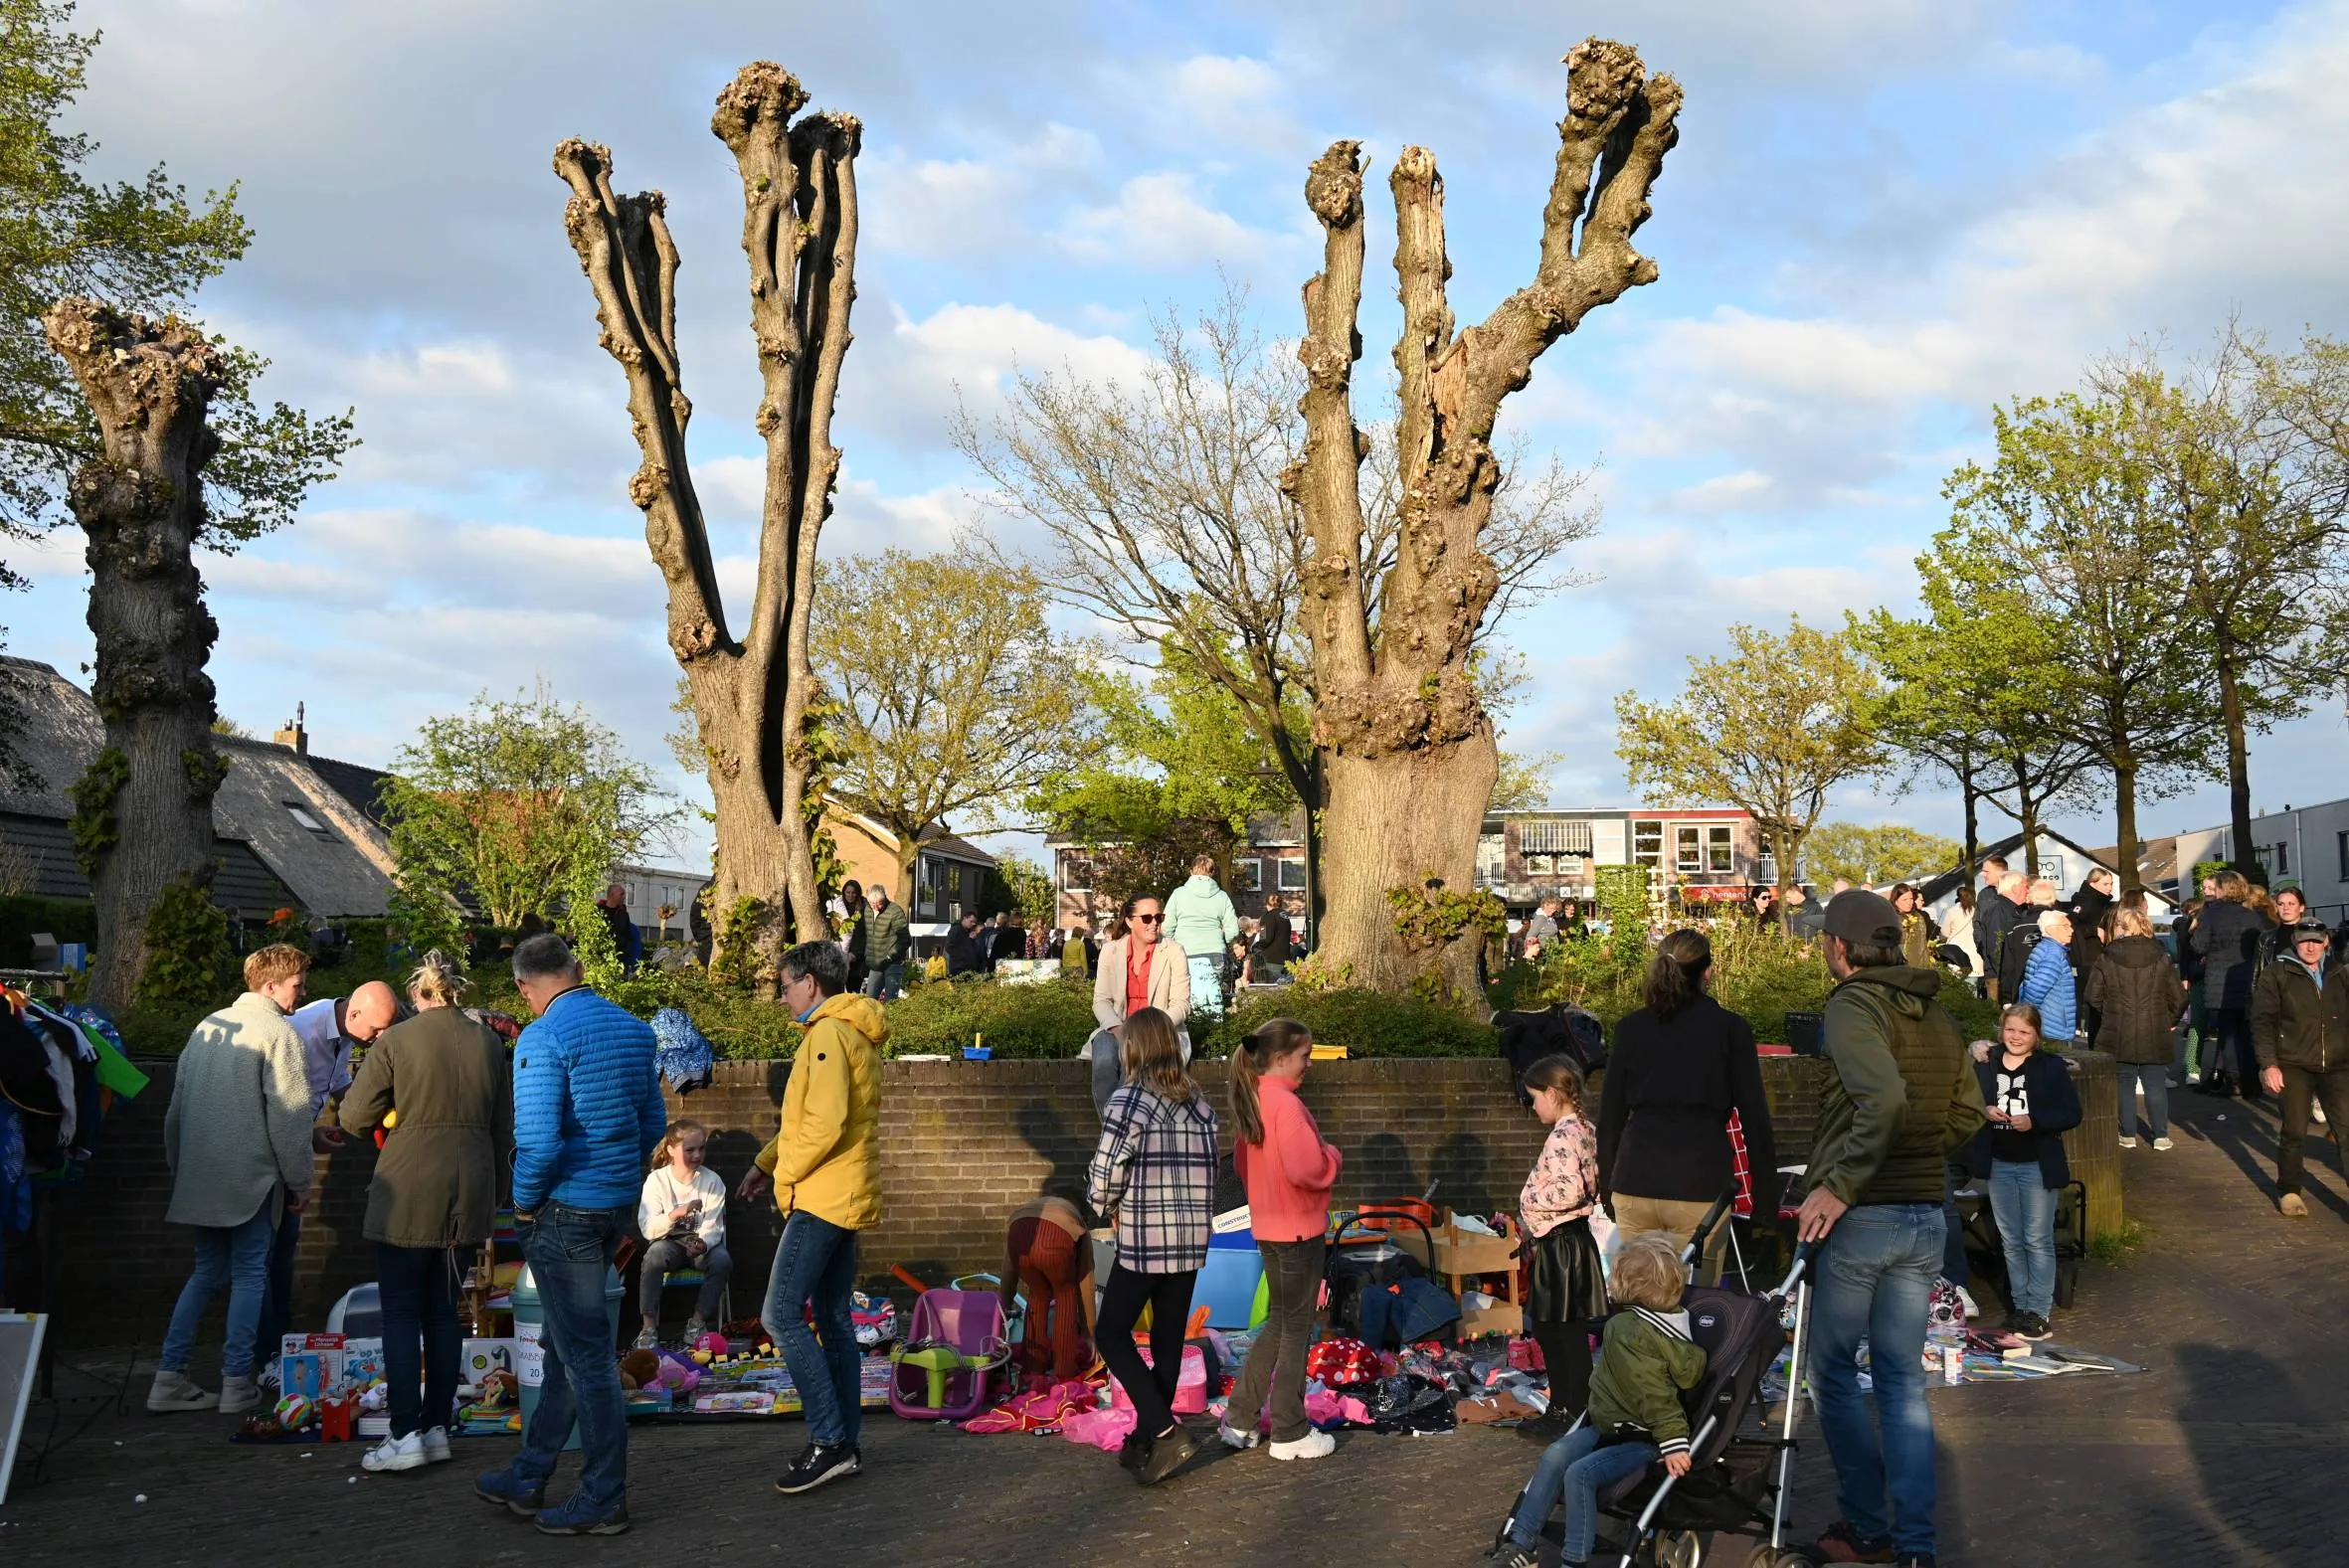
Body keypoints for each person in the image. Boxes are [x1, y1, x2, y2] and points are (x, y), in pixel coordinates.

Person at [1795, 890, 1984, 1568]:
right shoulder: (1934, 1012)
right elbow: (1968, 1110)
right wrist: (1924, 1154)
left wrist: (1839, 1183)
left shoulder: (1852, 1004)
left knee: (1833, 1372)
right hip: (1924, 1213)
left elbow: (1884, 1097)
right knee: (1903, 1379)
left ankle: (1867, 1525)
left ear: (1841, 946)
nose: (1822, 948)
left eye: (1824, 940)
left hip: (1864, 1214)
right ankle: (1915, 1546)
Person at [473, 935, 664, 1537]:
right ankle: (530, 1473)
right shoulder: (634, 1030)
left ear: (526, 987)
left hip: (564, 1213)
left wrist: (525, 1207)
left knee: (586, 1361)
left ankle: (604, 1496)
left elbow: (537, 1142)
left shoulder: (541, 1036)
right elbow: (652, 1121)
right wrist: (619, 1178)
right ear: (576, 970)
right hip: (613, 1208)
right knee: (564, 1348)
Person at [337, 950, 510, 1472]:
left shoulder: (396, 1040)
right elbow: (504, 1128)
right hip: (470, 1189)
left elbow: (352, 1116)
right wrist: (496, 1192)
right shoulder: (489, 1041)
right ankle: (437, 1428)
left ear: (419, 993)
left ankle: (404, 1432)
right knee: (444, 1311)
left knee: (400, 1312)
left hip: (409, 1186)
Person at [736, 941, 886, 1494]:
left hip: (821, 1198)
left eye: (785, 986)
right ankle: (846, 1441)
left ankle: (830, 1441)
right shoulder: (851, 1032)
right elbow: (809, 1123)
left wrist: (784, 1176)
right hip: (843, 1194)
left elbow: (819, 1128)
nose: (781, 997)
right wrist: (763, 1161)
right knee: (834, 1317)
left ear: (810, 983)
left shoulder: (825, 1037)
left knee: (780, 1316)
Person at [150, 944, 317, 1417]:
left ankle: (168, 1377)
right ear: (271, 985)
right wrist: (300, 1179)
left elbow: (174, 1114)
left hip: (200, 1176)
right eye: (297, 985)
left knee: (205, 1273)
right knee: (249, 1275)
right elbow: (290, 1116)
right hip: (252, 1180)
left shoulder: (207, 1028)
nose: (302, 994)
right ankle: (236, 1382)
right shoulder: (278, 1034)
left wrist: (181, 1168)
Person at [1487, 1230, 1709, 1568]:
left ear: (1628, 1284)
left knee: (1579, 1473)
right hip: (1610, 1422)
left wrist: (1673, 1441)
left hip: (1641, 1436)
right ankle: (1521, 1542)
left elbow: (1654, 1393)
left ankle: (1571, 1558)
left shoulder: (1627, 1331)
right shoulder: (1670, 1327)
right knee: (1555, 1454)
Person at [1597, 930, 1777, 1287]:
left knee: (1640, 1300)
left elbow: (1611, 1117)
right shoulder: (1730, 1029)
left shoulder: (1631, 1028)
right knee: (1695, 1305)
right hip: (1700, 1184)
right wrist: (1765, 1204)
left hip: (1635, 1180)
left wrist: (1607, 1185)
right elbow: (1755, 1121)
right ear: (1707, 972)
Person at [1085, 1007, 1217, 1487]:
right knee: (1167, 1343)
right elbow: (1214, 1175)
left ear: (1134, 1048)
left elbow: (1106, 1173)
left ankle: (1164, 1429)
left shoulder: (1129, 1100)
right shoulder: (1200, 1105)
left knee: (1112, 1334)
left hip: (1146, 1238)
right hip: (1191, 1239)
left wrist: (1101, 1202)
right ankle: (1145, 1440)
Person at [1221, 1017, 1342, 1462]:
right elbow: (1307, 1168)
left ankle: (1240, 1417)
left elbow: (1242, 1165)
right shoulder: (1286, 1106)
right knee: (1295, 1328)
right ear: (1279, 1058)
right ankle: (1290, 1429)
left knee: (1278, 1322)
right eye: (1304, 1056)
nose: (1308, 1065)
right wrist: (1332, 1156)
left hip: (1269, 1229)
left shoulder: (1253, 1100)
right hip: (1297, 1231)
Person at [268, 978, 400, 1364]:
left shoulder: (343, 1030)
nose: (378, 1038)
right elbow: (278, 1108)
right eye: (375, 1029)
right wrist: (302, 1154)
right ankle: (267, 1352)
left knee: (282, 1256)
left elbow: (340, 1086)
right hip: (279, 1157)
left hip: (296, 1149)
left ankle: (279, 1344)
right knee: (263, 1263)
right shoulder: (298, 1034)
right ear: (354, 1013)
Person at [1969, 1003, 2079, 1340]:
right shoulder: (1985, 1063)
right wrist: (1982, 1109)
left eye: (2024, 1032)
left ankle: (2038, 1312)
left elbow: (2072, 1113)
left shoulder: (2049, 1067)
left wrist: (2036, 1122)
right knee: (2011, 1240)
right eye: (2011, 1030)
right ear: (2002, 1029)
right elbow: (1965, 1098)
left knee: (2037, 1239)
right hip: (1999, 1163)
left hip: (2036, 1164)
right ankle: (2020, 1308)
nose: (2016, 1037)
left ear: (2036, 1035)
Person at [1516, 1054, 1608, 1434]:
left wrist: (1530, 1200)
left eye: (1534, 1097)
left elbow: (1571, 1188)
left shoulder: (1563, 1134)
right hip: (1569, 1242)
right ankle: (1569, 1407)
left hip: (1561, 1244)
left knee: (1557, 1329)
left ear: (1553, 1094)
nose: (1532, 1105)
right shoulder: (1585, 1127)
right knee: (1558, 1328)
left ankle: (1570, 1411)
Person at [2252, 919, 2349, 1218]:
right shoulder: (2277, 972)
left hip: (2337, 1064)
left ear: (2326, 942)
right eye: (2305, 940)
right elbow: (2262, 1021)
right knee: (2295, 1130)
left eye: (2316, 941)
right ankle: (2290, 1190)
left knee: (2347, 1130)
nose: (2310, 946)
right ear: (2295, 940)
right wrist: (2269, 1064)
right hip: (2293, 1063)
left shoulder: (2339, 972)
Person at [2086, 907, 2186, 1150]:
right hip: (2154, 1028)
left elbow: (2092, 996)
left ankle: (2128, 1134)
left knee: (2124, 1082)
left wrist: (2109, 1014)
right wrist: (2169, 1020)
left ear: (2120, 927)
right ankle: (2161, 1135)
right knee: (2154, 1083)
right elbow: (2180, 998)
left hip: (2118, 1028)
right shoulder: (2162, 957)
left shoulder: (2106, 957)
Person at [1087, 895, 1191, 1115]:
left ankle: (1118, 1138)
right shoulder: (1110, 951)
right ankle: (1114, 1131)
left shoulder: (1174, 951)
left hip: (1159, 1032)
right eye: (1147, 918)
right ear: (1129, 921)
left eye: (1158, 917)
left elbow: (1181, 1004)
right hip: (1117, 1027)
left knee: (1132, 1069)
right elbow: (1101, 1001)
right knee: (1104, 1059)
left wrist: (1150, 1030)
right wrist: (1118, 1028)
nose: (1154, 922)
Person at [635, 1120, 731, 1347]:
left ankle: (697, 1323)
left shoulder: (712, 1181)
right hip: (669, 1244)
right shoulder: (657, 1180)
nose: (697, 1155)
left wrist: (703, 1243)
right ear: (670, 1149)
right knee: (653, 1256)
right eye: (690, 1150)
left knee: (722, 1259)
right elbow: (648, 1228)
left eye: (701, 1149)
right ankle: (648, 1327)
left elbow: (714, 1225)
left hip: (699, 1245)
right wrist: (675, 1215)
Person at [998, 1195, 1097, 1384]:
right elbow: (1086, 1279)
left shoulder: (1034, 1207)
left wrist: (1001, 1311)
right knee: (1066, 1295)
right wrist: (1089, 1332)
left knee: (1038, 1294)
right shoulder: (1076, 1222)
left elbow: (1009, 1268)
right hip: (1056, 1239)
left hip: (1018, 1230)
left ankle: (1032, 1369)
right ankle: (1064, 1372)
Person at [2190, 869, 2266, 1100]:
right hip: (2246, 980)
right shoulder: (2251, 915)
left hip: (2220, 982)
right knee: (2246, 1033)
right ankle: (2251, 1081)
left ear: (2222, 889)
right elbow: (2260, 946)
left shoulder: (2213, 914)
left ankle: (2232, 1081)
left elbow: (2198, 945)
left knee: (2228, 1033)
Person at [1163, 855, 1240, 1018]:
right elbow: (1233, 930)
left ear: (1191, 871)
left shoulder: (1178, 894)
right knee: (1211, 1001)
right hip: (1215, 953)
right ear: (1212, 873)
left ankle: (1190, 1037)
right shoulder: (1221, 896)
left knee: (1184, 999)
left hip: (1184, 952)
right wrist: (1221, 939)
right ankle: (1212, 1036)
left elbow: (1166, 927)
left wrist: (1174, 943)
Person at [2017, 909, 2078, 1046]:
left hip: (2046, 1027)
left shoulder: (2044, 949)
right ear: (2050, 929)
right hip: (2052, 1031)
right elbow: (2034, 991)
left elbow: (2026, 986)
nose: (2071, 930)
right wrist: (2028, 1021)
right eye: (2066, 926)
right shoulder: (2053, 955)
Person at [1997, 879, 2058, 1006]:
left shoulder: (2015, 928)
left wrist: (2006, 999)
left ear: (2030, 898)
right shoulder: (2065, 925)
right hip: (2056, 992)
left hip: (2023, 991)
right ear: (2053, 898)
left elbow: (2008, 965)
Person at [1973, 865, 2025, 1003]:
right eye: (2024, 886)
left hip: (2008, 977)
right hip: (2001, 978)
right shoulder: (1999, 911)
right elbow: (1996, 948)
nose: (2027, 890)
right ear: (2014, 888)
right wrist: (2008, 978)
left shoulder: (2016, 910)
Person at [859, 882, 911, 999]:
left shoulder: (895, 911)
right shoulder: (867, 910)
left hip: (892, 963)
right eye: (873, 904)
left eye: (880, 904)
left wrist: (889, 956)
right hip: (875, 964)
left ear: (885, 898)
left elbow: (906, 939)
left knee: (891, 1001)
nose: (876, 907)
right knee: (869, 1001)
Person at [1940, 884, 1982, 984]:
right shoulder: (1977, 911)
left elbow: (1944, 932)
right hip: (1974, 951)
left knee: (1957, 987)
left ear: (1957, 896)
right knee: (1973, 983)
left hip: (1955, 954)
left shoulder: (1952, 911)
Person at [599, 884, 642, 976]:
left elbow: (628, 935)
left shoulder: (623, 913)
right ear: (612, 895)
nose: (624, 897)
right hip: (603, 958)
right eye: (621, 894)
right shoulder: (598, 911)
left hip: (622, 959)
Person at [834, 880, 869, 993]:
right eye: (848, 892)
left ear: (858, 893)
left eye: (853, 893)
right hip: (840, 954)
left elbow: (862, 934)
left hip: (856, 957)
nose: (850, 895)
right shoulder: (839, 907)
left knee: (853, 990)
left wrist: (854, 953)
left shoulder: (863, 908)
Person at [1251, 900, 1294, 983]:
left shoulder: (1267, 916)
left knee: (1273, 989)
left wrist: (1255, 946)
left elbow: (1265, 939)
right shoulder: (1285, 916)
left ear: (1268, 905)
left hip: (1272, 962)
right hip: (1286, 960)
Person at [1892, 884, 1932, 969]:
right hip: (1904, 968)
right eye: (1904, 899)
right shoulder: (1892, 919)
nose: (1909, 902)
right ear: (1895, 901)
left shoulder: (1918, 916)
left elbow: (1924, 940)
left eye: (1911, 899)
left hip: (1924, 965)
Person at [945, 912, 983, 978]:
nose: (973, 924)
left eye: (974, 922)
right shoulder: (956, 930)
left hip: (968, 970)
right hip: (958, 970)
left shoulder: (968, 931)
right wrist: (969, 940)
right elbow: (949, 947)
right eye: (971, 921)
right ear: (965, 918)